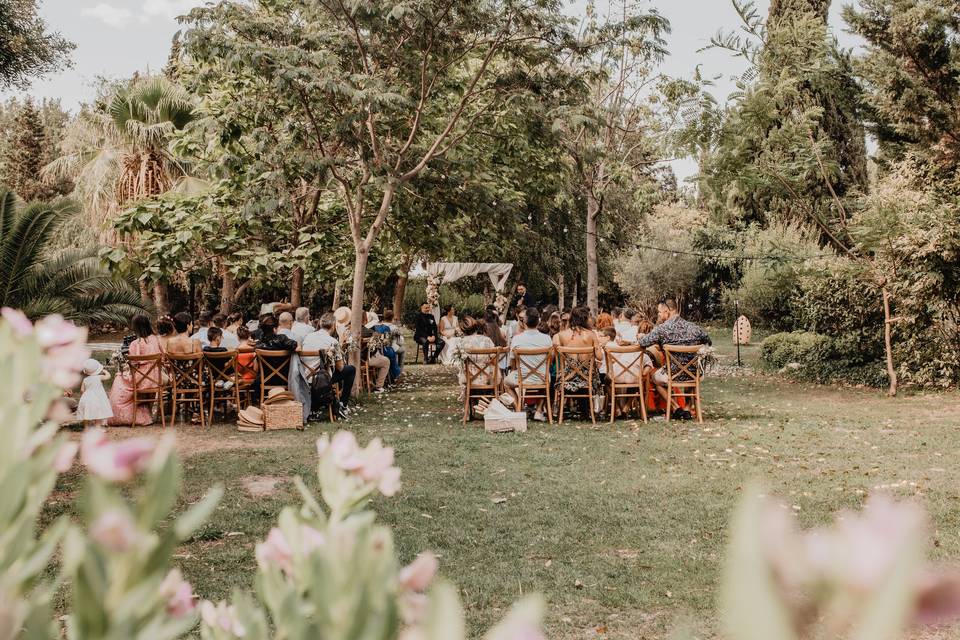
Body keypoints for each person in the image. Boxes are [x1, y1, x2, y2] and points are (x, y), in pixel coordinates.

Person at [638, 299, 711, 420]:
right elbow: (708, 341)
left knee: (654, 377)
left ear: (667, 311)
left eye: (660, 312)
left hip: (672, 374)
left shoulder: (661, 329)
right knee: (690, 370)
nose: (659, 315)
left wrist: (641, 336)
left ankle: (676, 407)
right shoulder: (694, 328)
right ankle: (687, 408)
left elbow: (643, 343)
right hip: (695, 373)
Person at [109, 315, 163, 426]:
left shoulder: (135, 344)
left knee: (119, 379)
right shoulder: (156, 339)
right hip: (157, 378)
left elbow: (133, 363)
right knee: (148, 381)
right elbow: (163, 356)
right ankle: (147, 413)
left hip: (141, 380)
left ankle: (136, 413)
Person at [302, 313, 355, 418]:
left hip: (305, 377)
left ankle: (319, 405)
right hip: (322, 380)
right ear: (334, 326)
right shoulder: (332, 341)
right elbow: (340, 367)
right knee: (351, 370)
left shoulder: (308, 337)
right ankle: (343, 404)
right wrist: (341, 339)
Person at [504, 308, 553, 421]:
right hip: (542, 378)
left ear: (524, 321)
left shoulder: (517, 339)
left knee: (506, 382)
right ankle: (539, 411)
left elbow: (512, 361)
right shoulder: (546, 339)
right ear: (538, 321)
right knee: (548, 378)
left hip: (522, 377)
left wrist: (515, 370)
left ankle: (518, 410)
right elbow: (550, 359)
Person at [455, 316, 495, 391]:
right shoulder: (487, 340)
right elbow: (494, 358)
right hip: (487, 377)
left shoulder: (461, 342)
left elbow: (461, 363)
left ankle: (468, 397)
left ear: (463, 329)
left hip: (469, 378)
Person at [76, 358, 113, 426]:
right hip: (97, 398)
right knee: (98, 413)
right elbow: (108, 376)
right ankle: (97, 428)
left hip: (87, 398)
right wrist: (104, 370)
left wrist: (86, 395)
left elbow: (82, 390)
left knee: (86, 413)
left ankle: (86, 428)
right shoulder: (99, 377)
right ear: (98, 370)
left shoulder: (85, 379)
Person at [361, 312, 391, 392]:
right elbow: (382, 341)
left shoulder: (346, 331)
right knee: (386, 361)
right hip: (365, 360)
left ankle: (370, 381)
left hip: (349, 360)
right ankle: (378, 386)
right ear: (365, 320)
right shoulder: (369, 332)